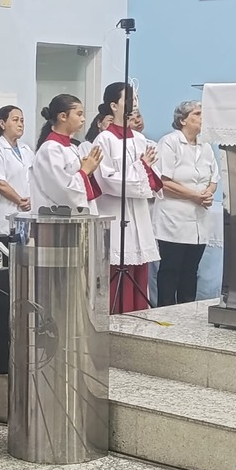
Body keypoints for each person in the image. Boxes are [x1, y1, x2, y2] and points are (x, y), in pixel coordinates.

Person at [93, 82, 162, 314]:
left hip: (139, 215)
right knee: (117, 270)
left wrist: (147, 169)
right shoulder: (104, 140)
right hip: (115, 214)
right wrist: (141, 167)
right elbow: (107, 180)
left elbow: (153, 179)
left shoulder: (140, 139)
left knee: (140, 269)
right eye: (129, 99)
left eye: (136, 99)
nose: (134, 104)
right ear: (114, 106)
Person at [153, 101, 219, 306]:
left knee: (191, 270)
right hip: (174, 218)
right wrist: (194, 196)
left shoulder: (205, 146)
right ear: (182, 120)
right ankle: (165, 312)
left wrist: (208, 193)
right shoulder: (170, 142)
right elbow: (163, 181)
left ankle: (187, 312)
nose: (202, 118)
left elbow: (214, 179)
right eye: (197, 114)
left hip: (199, 217)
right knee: (170, 269)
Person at [31, 94, 103, 213]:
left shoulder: (72, 147)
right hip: (58, 217)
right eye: (79, 114)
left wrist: (89, 170)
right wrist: (84, 170)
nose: (83, 119)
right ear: (63, 116)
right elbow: (61, 190)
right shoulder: (50, 149)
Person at [0, 105, 35, 234]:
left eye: (22, 121)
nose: (20, 124)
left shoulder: (26, 150)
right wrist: (20, 201)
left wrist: (32, 199)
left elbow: (35, 179)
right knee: (4, 244)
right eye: (15, 120)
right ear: (2, 124)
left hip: (25, 213)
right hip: (2, 214)